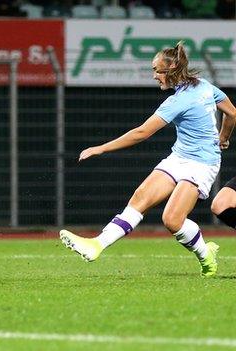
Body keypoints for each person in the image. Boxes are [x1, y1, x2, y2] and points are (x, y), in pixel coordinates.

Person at [59, 41, 236, 277]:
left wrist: (100, 148)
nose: (154, 76)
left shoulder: (177, 102)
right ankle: (96, 245)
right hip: (179, 156)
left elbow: (141, 133)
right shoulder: (204, 86)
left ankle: (206, 256)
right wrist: (223, 137)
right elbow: (232, 112)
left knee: (172, 220)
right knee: (140, 197)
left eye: (157, 71)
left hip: (202, 164)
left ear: (172, 70)